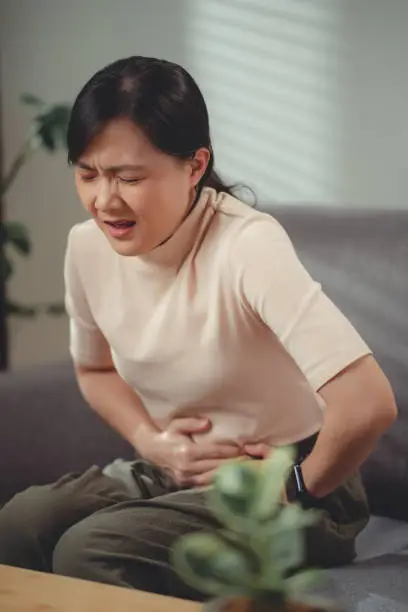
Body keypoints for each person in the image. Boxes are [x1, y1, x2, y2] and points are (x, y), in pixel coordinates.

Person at [0, 56, 397, 600]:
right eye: (87, 173)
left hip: (294, 486)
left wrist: (292, 485)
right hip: (176, 471)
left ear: (194, 166)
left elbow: (368, 401)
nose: (103, 200)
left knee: (89, 550)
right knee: (19, 524)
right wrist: (151, 441)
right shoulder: (86, 247)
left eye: (129, 177)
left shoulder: (246, 245)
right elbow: (94, 369)